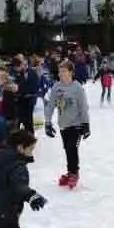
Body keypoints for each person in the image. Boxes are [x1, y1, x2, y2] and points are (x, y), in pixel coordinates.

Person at [44, 60, 90, 189]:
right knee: (67, 149)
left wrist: (86, 125)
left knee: (71, 148)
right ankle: (70, 172)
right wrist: (47, 122)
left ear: (71, 72)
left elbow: (83, 107)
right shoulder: (56, 87)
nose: (61, 74)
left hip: (76, 124)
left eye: (64, 71)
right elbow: (50, 105)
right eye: (60, 71)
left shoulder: (77, 87)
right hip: (63, 125)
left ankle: (74, 173)